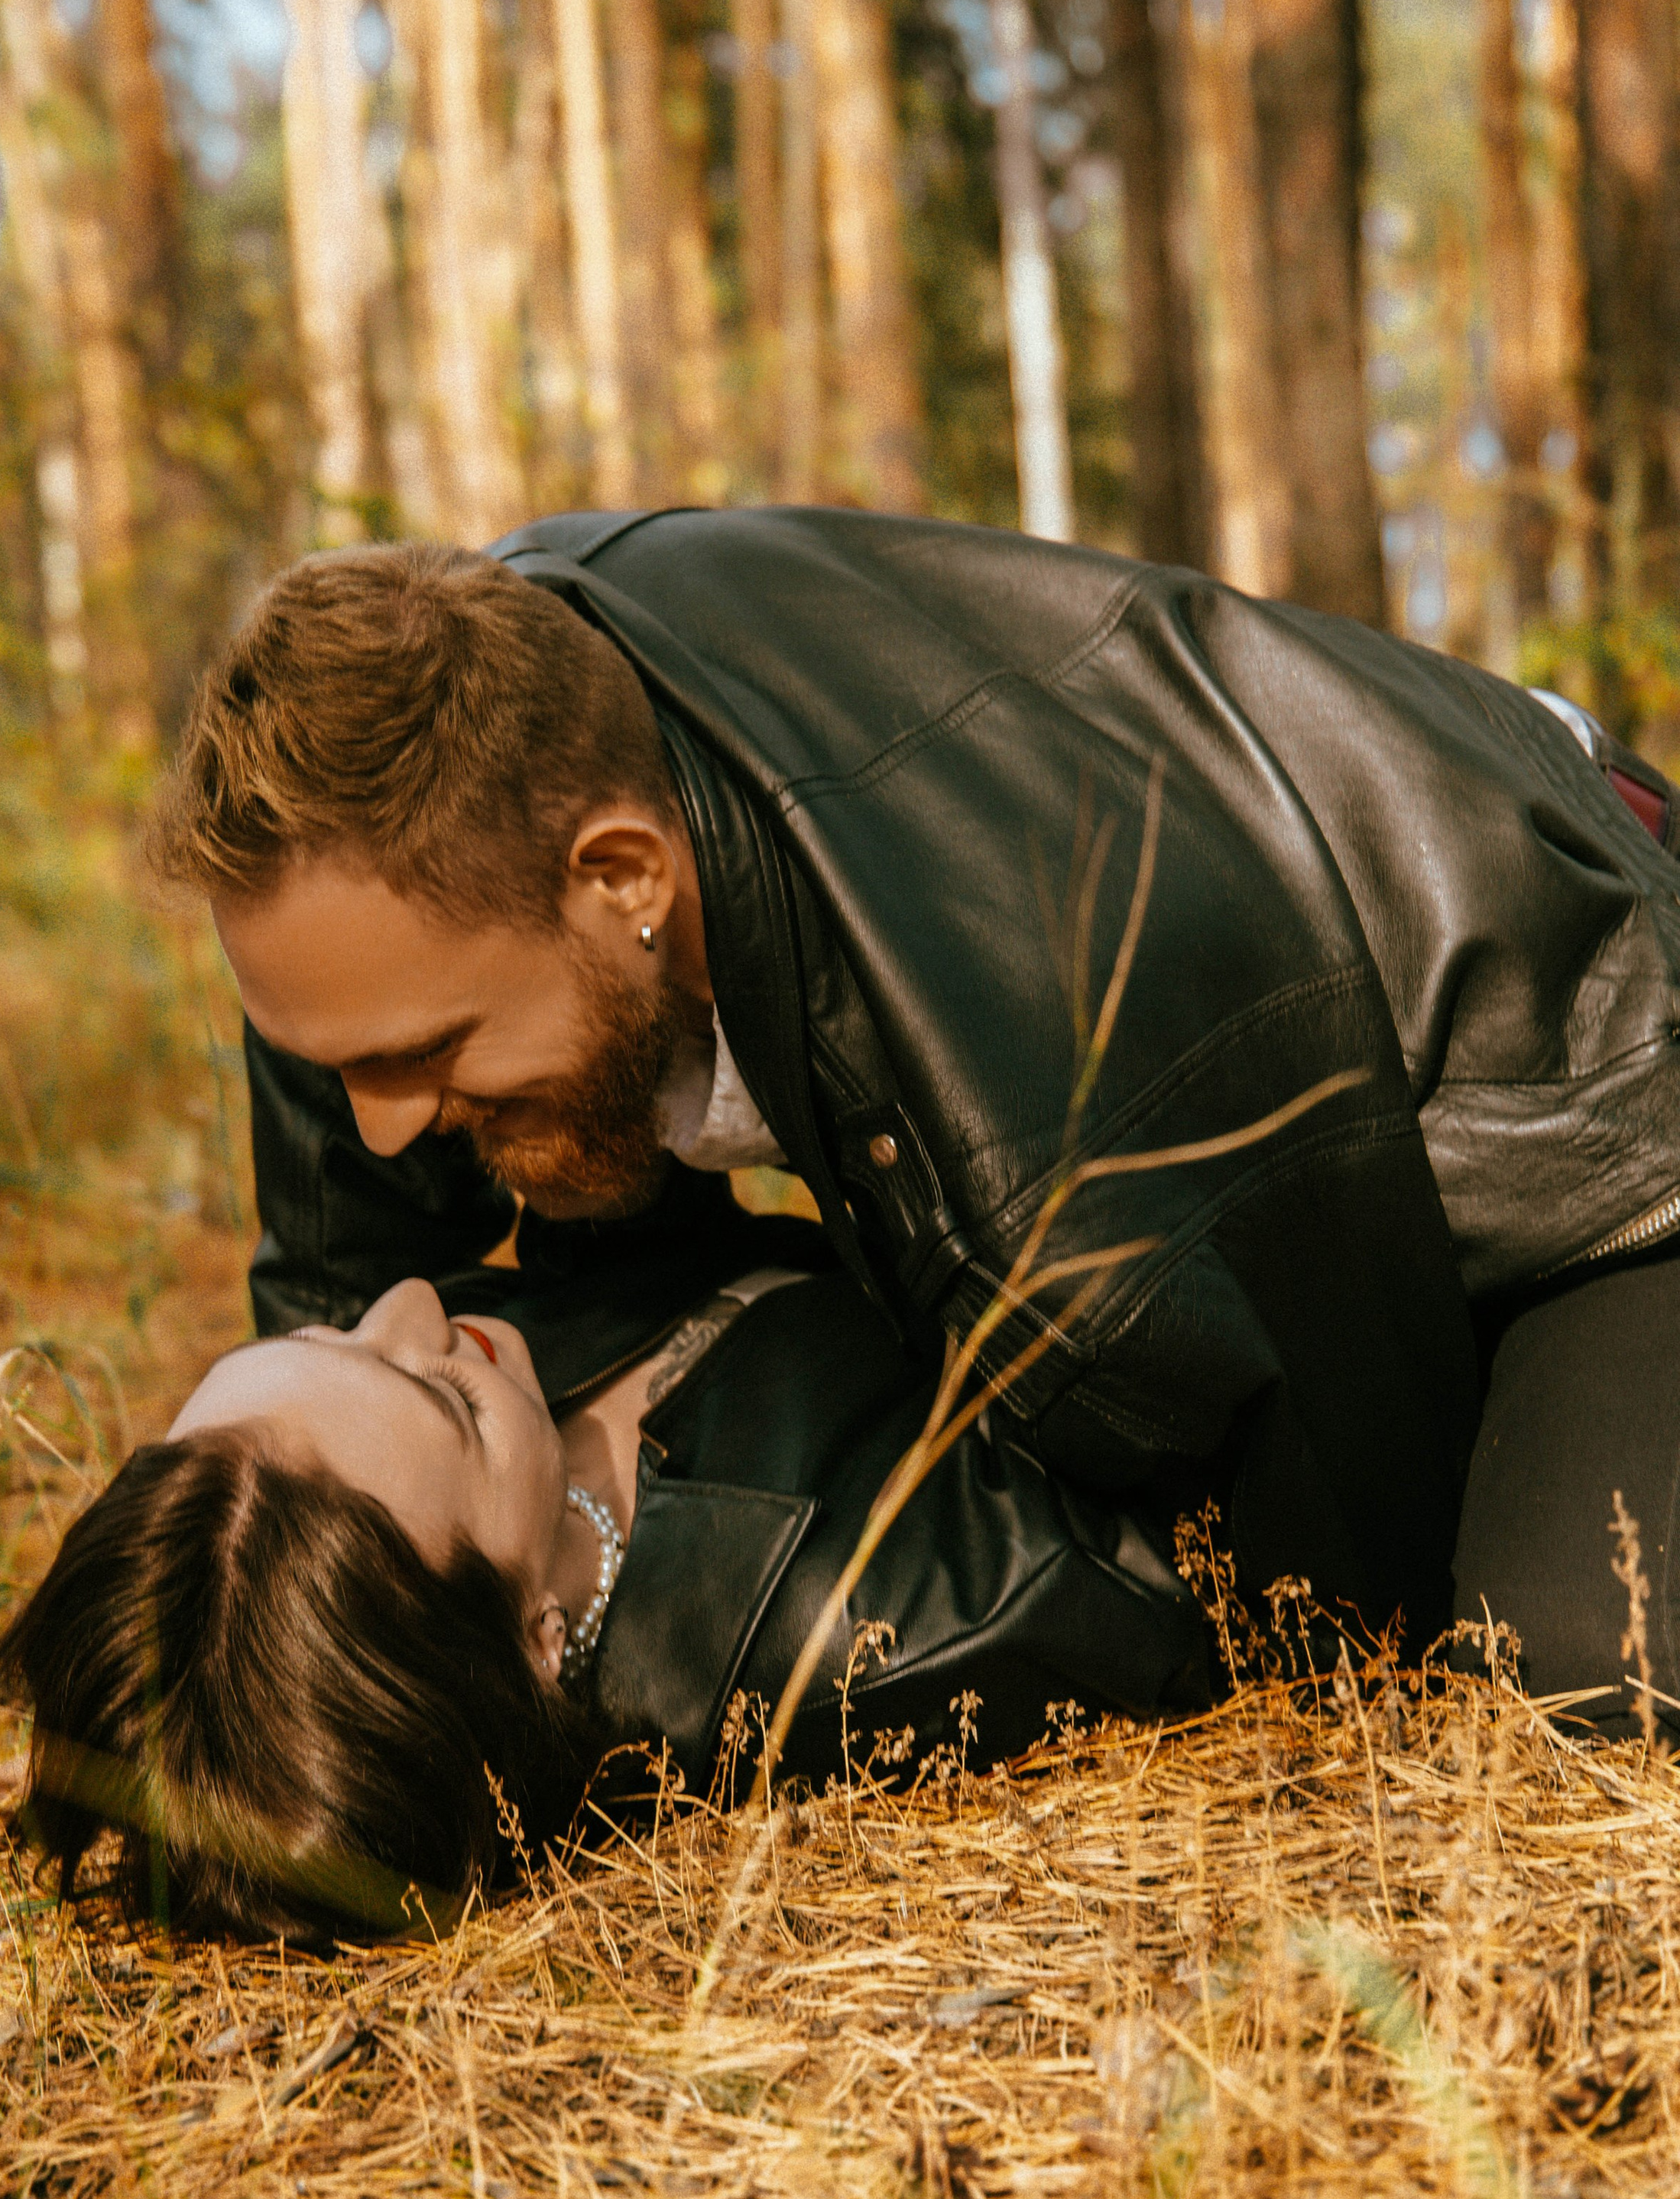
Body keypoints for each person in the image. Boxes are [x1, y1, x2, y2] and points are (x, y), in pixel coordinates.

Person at [144, 511, 1680, 1740]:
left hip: (1581, 1088)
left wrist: (587, 1624)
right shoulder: (448, 784)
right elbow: (341, 1323)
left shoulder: (1029, 1049)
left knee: (1580, 1670)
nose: (377, 1129)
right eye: (321, 1060)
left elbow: (1318, 1569)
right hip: (1250, 1062)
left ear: (622, 879)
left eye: (421, 1056)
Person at [0, 1250, 1212, 1940]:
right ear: (530, 1644)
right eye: (446, 1399)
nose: (414, 1301)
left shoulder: (422, 1478)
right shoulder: (885, 1631)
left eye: (325, 1335)